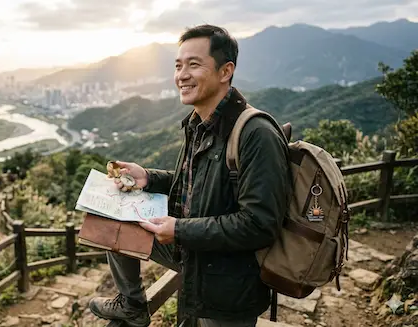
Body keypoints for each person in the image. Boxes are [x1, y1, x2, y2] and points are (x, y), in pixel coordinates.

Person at [88, 24, 291, 327]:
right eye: (178, 65)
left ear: (226, 71)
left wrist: (180, 230)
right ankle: (132, 304)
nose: (181, 75)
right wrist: (148, 177)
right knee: (110, 216)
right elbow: (200, 185)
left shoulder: (255, 134)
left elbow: (259, 225)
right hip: (193, 251)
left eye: (193, 64)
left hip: (229, 280)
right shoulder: (198, 123)